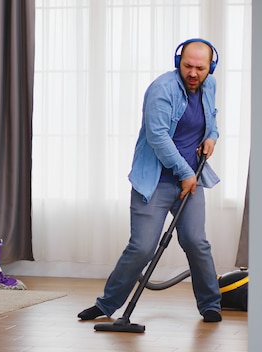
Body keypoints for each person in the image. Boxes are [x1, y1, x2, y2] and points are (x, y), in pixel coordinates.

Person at [78, 38, 223, 323]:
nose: (193, 73)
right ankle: (106, 305)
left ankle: (210, 304)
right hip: (155, 181)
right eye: (187, 66)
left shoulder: (210, 86)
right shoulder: (162, 90)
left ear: (211, 68)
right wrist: (185, 174)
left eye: (200, 68)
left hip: (189, 181)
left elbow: (212, 119)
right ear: (178, 62)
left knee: (196, 241)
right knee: (142, 247)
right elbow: (157, 137)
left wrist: (212, 137)